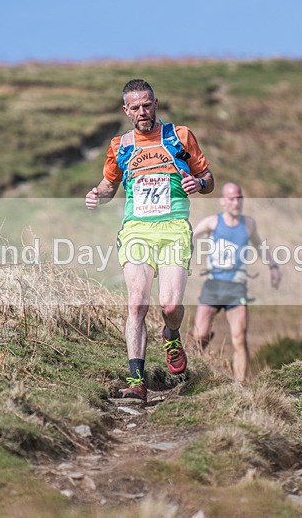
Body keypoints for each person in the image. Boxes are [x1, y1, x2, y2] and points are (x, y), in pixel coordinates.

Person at [85, 79, 214, 402]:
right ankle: (137, 380)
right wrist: (96, 194)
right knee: (137, 302)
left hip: (173, 229)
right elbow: (109, 185)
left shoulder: (179, 136)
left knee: (170, 306)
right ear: (125, 110)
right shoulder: (121, 146)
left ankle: (171, 334)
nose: (142, 112)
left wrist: (198, 184)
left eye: (147, 105)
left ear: (155, 104)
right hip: (137, 230)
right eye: (135, 107)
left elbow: (209, 179)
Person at [191, 182, 281, 382]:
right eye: (231, 198)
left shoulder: (248, 224)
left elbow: (260, 246)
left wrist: (273, 267)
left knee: (239, 338)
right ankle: (193, 374)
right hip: (213, 285)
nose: (236, 202)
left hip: (236, 288)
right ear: (223, 201)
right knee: (199, 336)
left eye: (239, 197)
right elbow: (190, 236)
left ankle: (239, 385)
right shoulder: (213, 222)